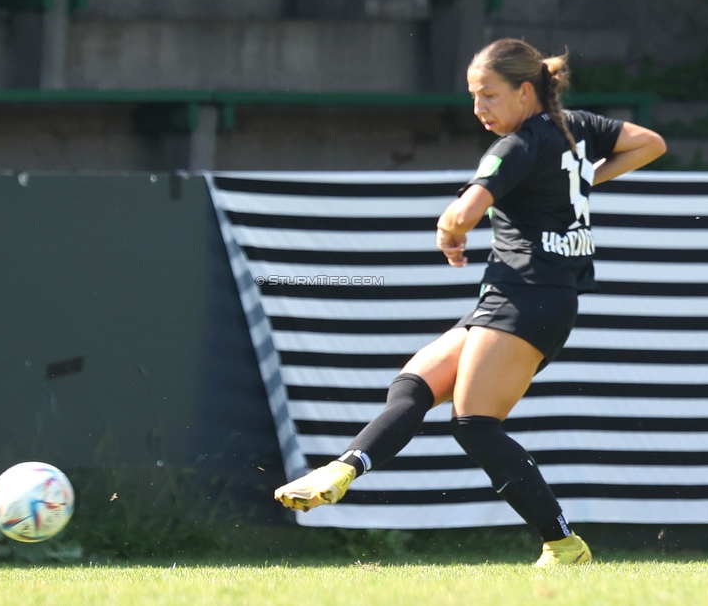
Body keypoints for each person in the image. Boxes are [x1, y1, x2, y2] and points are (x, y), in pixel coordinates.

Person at [274, 38, 667, 566]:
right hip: (522, 295)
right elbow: (650, 143)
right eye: (473, 96)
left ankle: (564, 544)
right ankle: (342, 469)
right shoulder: (574, 126)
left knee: (474, 422)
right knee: (413, 385)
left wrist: (448, 229)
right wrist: (584, 177)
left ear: (525, 91)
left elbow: (463, 213)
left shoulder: (516, 147)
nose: (478, 108)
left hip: (530, 296)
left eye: (489, 95)